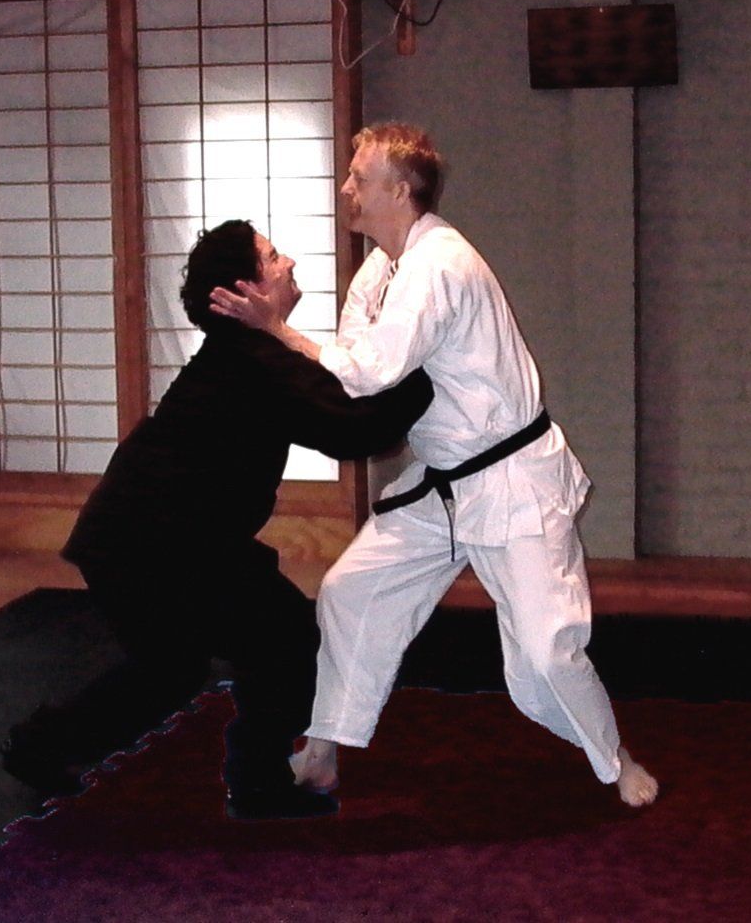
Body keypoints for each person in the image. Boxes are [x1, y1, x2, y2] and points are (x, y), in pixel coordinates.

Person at [210, 123, 659, 808]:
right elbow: (356, 372)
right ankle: (325, 750)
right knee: (350, 592)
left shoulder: (439, 266)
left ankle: (615, 758)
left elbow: (368, 371)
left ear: (400, 189)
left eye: (359, 177)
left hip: (512, 481)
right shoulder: (380, 270)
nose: (346, 188)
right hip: (441, 482)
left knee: (544, 654)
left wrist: (275, 330)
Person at [0, 219, 433, 820]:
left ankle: (38, 746)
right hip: (155, 543)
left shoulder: (254, 351)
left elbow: (344, 401)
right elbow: (357, 430)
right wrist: (431, 365)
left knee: (170, 670)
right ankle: (257, 783)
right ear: (246, 290)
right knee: (284, 641)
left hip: (145, 539)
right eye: (273, 257)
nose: (289, 263)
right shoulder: (253, 358)